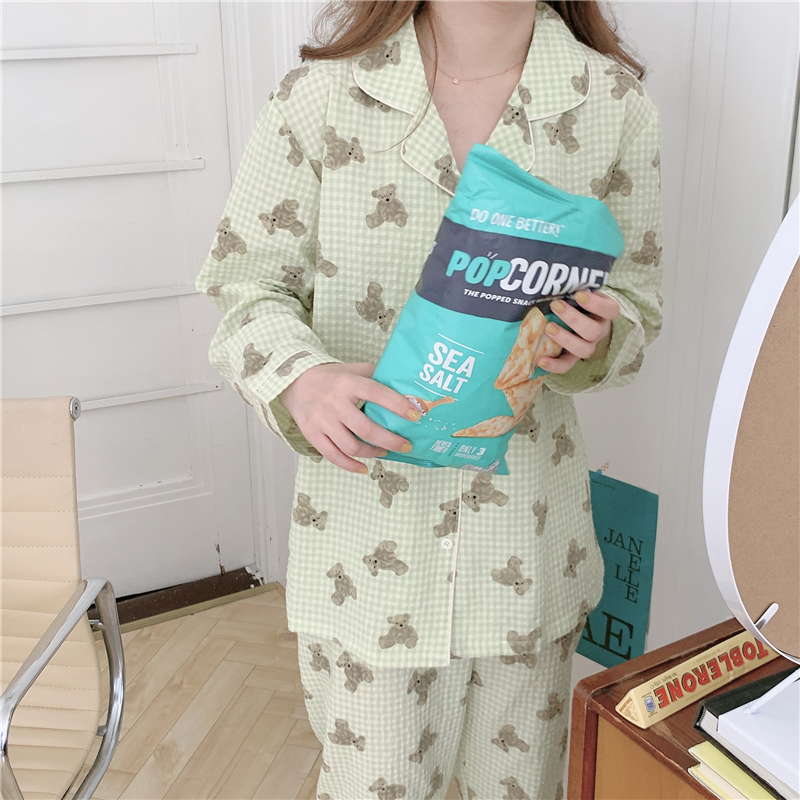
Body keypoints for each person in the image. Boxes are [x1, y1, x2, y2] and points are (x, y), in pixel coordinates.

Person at [195, 1, 663, 797]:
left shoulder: (613, 105)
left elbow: (638, 303)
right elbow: (245, 287)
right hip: (364, 557)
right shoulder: (319, 98)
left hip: (527, 555)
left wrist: (598, 336)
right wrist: (302, 380)